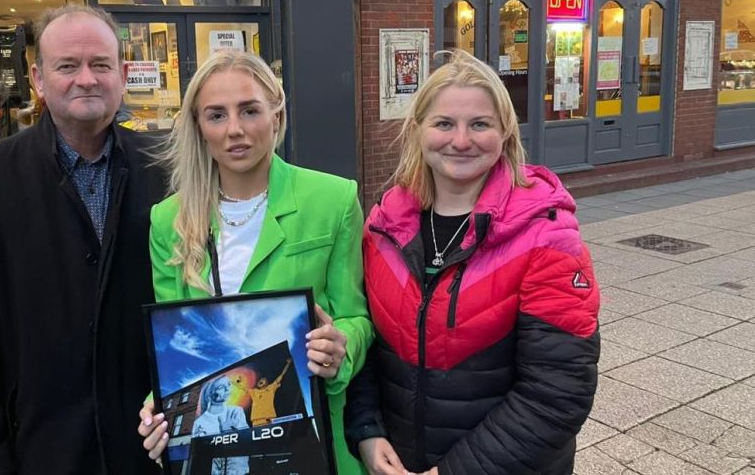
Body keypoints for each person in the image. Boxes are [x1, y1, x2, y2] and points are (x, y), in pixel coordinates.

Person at [0, 3, 167, 475]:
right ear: (37, 78)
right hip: (41, 448)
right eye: (67, 66)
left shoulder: (168, 167)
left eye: (100, 64)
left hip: (150, 447)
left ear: (122, 72)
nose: (87, 79)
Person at [344, 50, 600, 475]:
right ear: (417, 131)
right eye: (444, 123)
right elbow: (367, 345)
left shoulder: (549, 238)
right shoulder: (383, 227)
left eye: (479, 124)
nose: (461, 140)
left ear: (505, 133)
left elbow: (558, 392)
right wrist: (367, 430)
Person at [137, 50, 372, 474]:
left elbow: (356, 317)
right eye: (216, 115)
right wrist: (157, 408)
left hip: (313, 438)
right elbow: (170, 342)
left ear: (276, 117)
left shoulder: (333, 200)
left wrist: (341, 346)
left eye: (249, 110)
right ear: (199, 128)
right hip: (216, 447)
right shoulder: (168, 220)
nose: (235, 130)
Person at [191, 374, 250, 475]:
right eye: (221, 387)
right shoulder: (199, 423)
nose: (228, 389)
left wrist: (229, 433)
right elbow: (198, 456)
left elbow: (247, 444)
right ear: (210, 394)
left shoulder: (235, 412)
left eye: (228, 384)